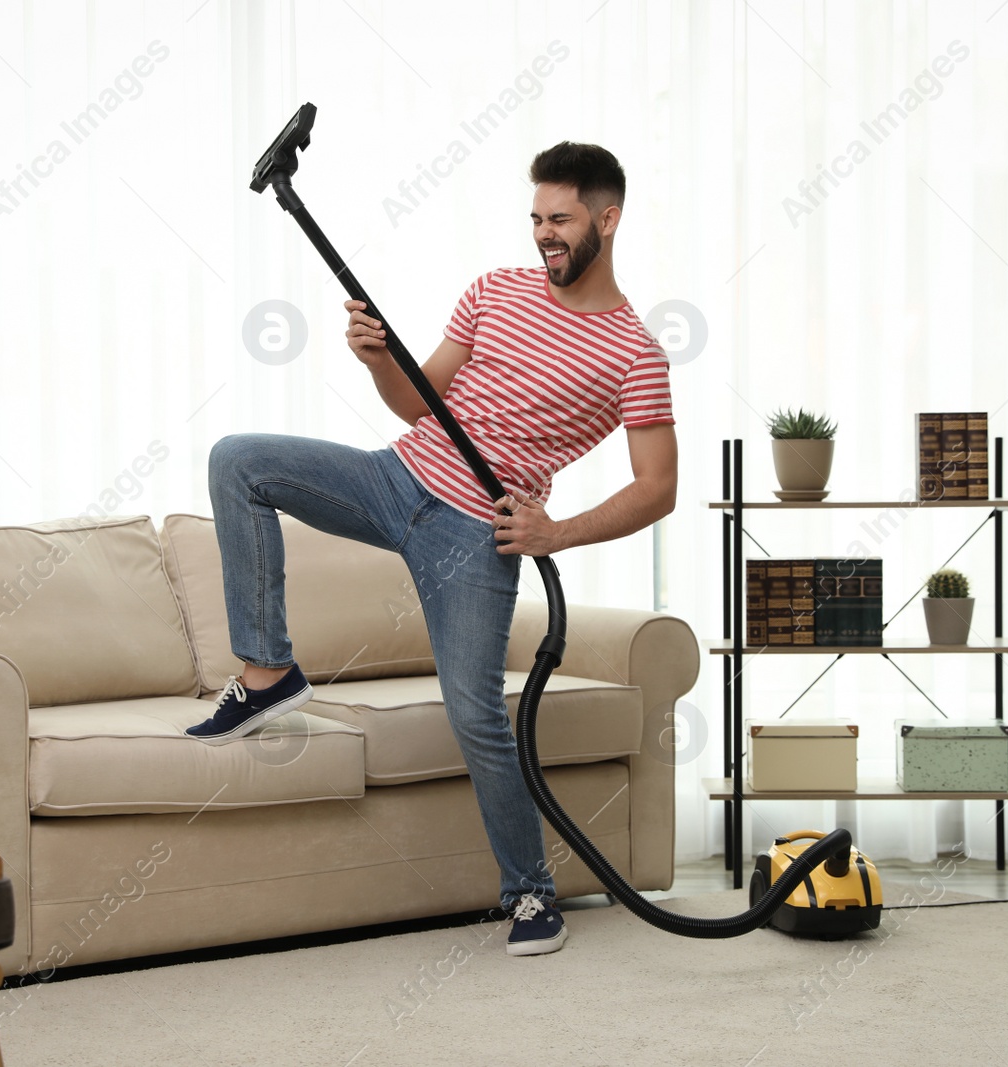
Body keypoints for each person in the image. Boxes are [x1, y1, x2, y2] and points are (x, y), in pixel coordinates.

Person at [186, 141, 677, 956]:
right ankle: (267, 673)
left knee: (475, 713)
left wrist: (555, 532)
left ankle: (530, 895)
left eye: (560, 219)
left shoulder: (635, 353)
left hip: (474, 535)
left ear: (608, 219)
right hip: (394, 481)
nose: (543, 234)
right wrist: (380, 357)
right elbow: (420, 405)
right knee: (238, 460)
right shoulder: (495, 291)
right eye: (535, 219)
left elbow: (656, 484)